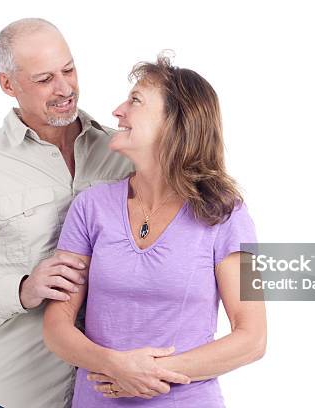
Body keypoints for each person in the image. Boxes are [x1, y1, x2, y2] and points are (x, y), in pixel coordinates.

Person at [0, 18, 165, 407]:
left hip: (109, 391)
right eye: (44, 79)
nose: (65, 89)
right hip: (11, 393)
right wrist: (21, 289)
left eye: (69, 70)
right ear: (8, 85)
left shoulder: (123, 153)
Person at [43, 54, 267, 407]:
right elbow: (57, 327)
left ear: (175, 122)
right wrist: (114, 365)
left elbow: (252, 338)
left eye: (135, 100)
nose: (118, 111)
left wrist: (148, 373)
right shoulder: (90, 207)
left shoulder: (228, 214)